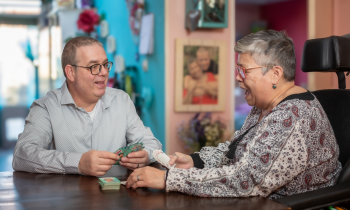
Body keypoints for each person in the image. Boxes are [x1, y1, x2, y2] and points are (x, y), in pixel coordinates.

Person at [125, 30, 342, 199]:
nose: (238, 78)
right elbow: (236, 151)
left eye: (244, 71)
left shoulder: (291, 117)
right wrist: (195, 161)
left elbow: (246, 180)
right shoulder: (264, 106)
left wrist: (168, 178)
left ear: (275, 73)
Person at [12, 36, 162, 176]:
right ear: (71, 72)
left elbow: (151, 143)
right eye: (94, 66)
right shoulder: (45, 107)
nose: (103, 72)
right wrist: (77, 162)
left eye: (105, 64)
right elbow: (22, 155)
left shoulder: (121, 100)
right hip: (65, 201)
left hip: (116, 200)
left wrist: (145, 155)